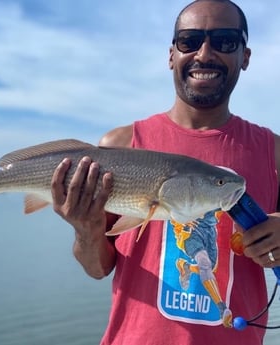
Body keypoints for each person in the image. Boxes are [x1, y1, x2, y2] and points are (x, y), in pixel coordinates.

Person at [50, 0, 280, 344]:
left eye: (225, 41)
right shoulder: (120, 143)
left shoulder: (274, 152)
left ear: (245, 57)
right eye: (189, 40)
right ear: (171, 54)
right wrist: (87, 230)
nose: (205, 53)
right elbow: (97, 268)